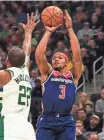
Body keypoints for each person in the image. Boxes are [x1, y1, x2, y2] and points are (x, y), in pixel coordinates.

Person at [35, 10, 83, 140]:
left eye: (60, 57)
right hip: (47, 119)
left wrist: (70, 29)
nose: (56, 59)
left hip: (66, 120)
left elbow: (77, 56)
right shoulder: (48, 73)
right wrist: (48, 32)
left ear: (67, 62)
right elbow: (39, 55)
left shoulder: (73, 76)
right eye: (54, 58)